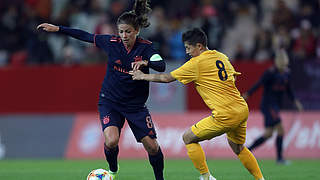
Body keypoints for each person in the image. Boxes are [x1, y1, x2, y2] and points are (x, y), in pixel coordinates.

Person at [37, 0, 166, 180]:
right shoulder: (111, 42)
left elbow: (161, 65)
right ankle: (113, 170)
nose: (124, 35)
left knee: (152, 147)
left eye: (128, 31)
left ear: (136, 31)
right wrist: (58, 29)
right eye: (121, 31)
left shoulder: (146, 48)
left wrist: (146, 62)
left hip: (135, 106)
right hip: (110, 101)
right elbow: (85, 36)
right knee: (111, 141)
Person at [130, 28, 264, 180]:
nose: (187, 52)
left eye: (188, 48)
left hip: (225, 114)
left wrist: (142, 76)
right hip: (241, 109)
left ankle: (206, 177)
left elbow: (166, 78)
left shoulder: (196, 63)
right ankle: (260, 179)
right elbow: (233, 79)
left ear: (199, 46)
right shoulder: (221, 56)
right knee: (238, 147)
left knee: (188, 138)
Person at [243, 49, 303, 164]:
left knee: (268, 134)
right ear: (276, 61)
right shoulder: (270, 73)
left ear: (286, 60)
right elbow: (259, 83)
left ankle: (247, 151)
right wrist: (248, 94)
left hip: (275, 106)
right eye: (280, 59)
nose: (282, 62)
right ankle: (280, 159)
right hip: (268, 105)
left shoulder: (287, 73)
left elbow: (289, 90)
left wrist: (295, 101)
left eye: (284, 59)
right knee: (281, 130)